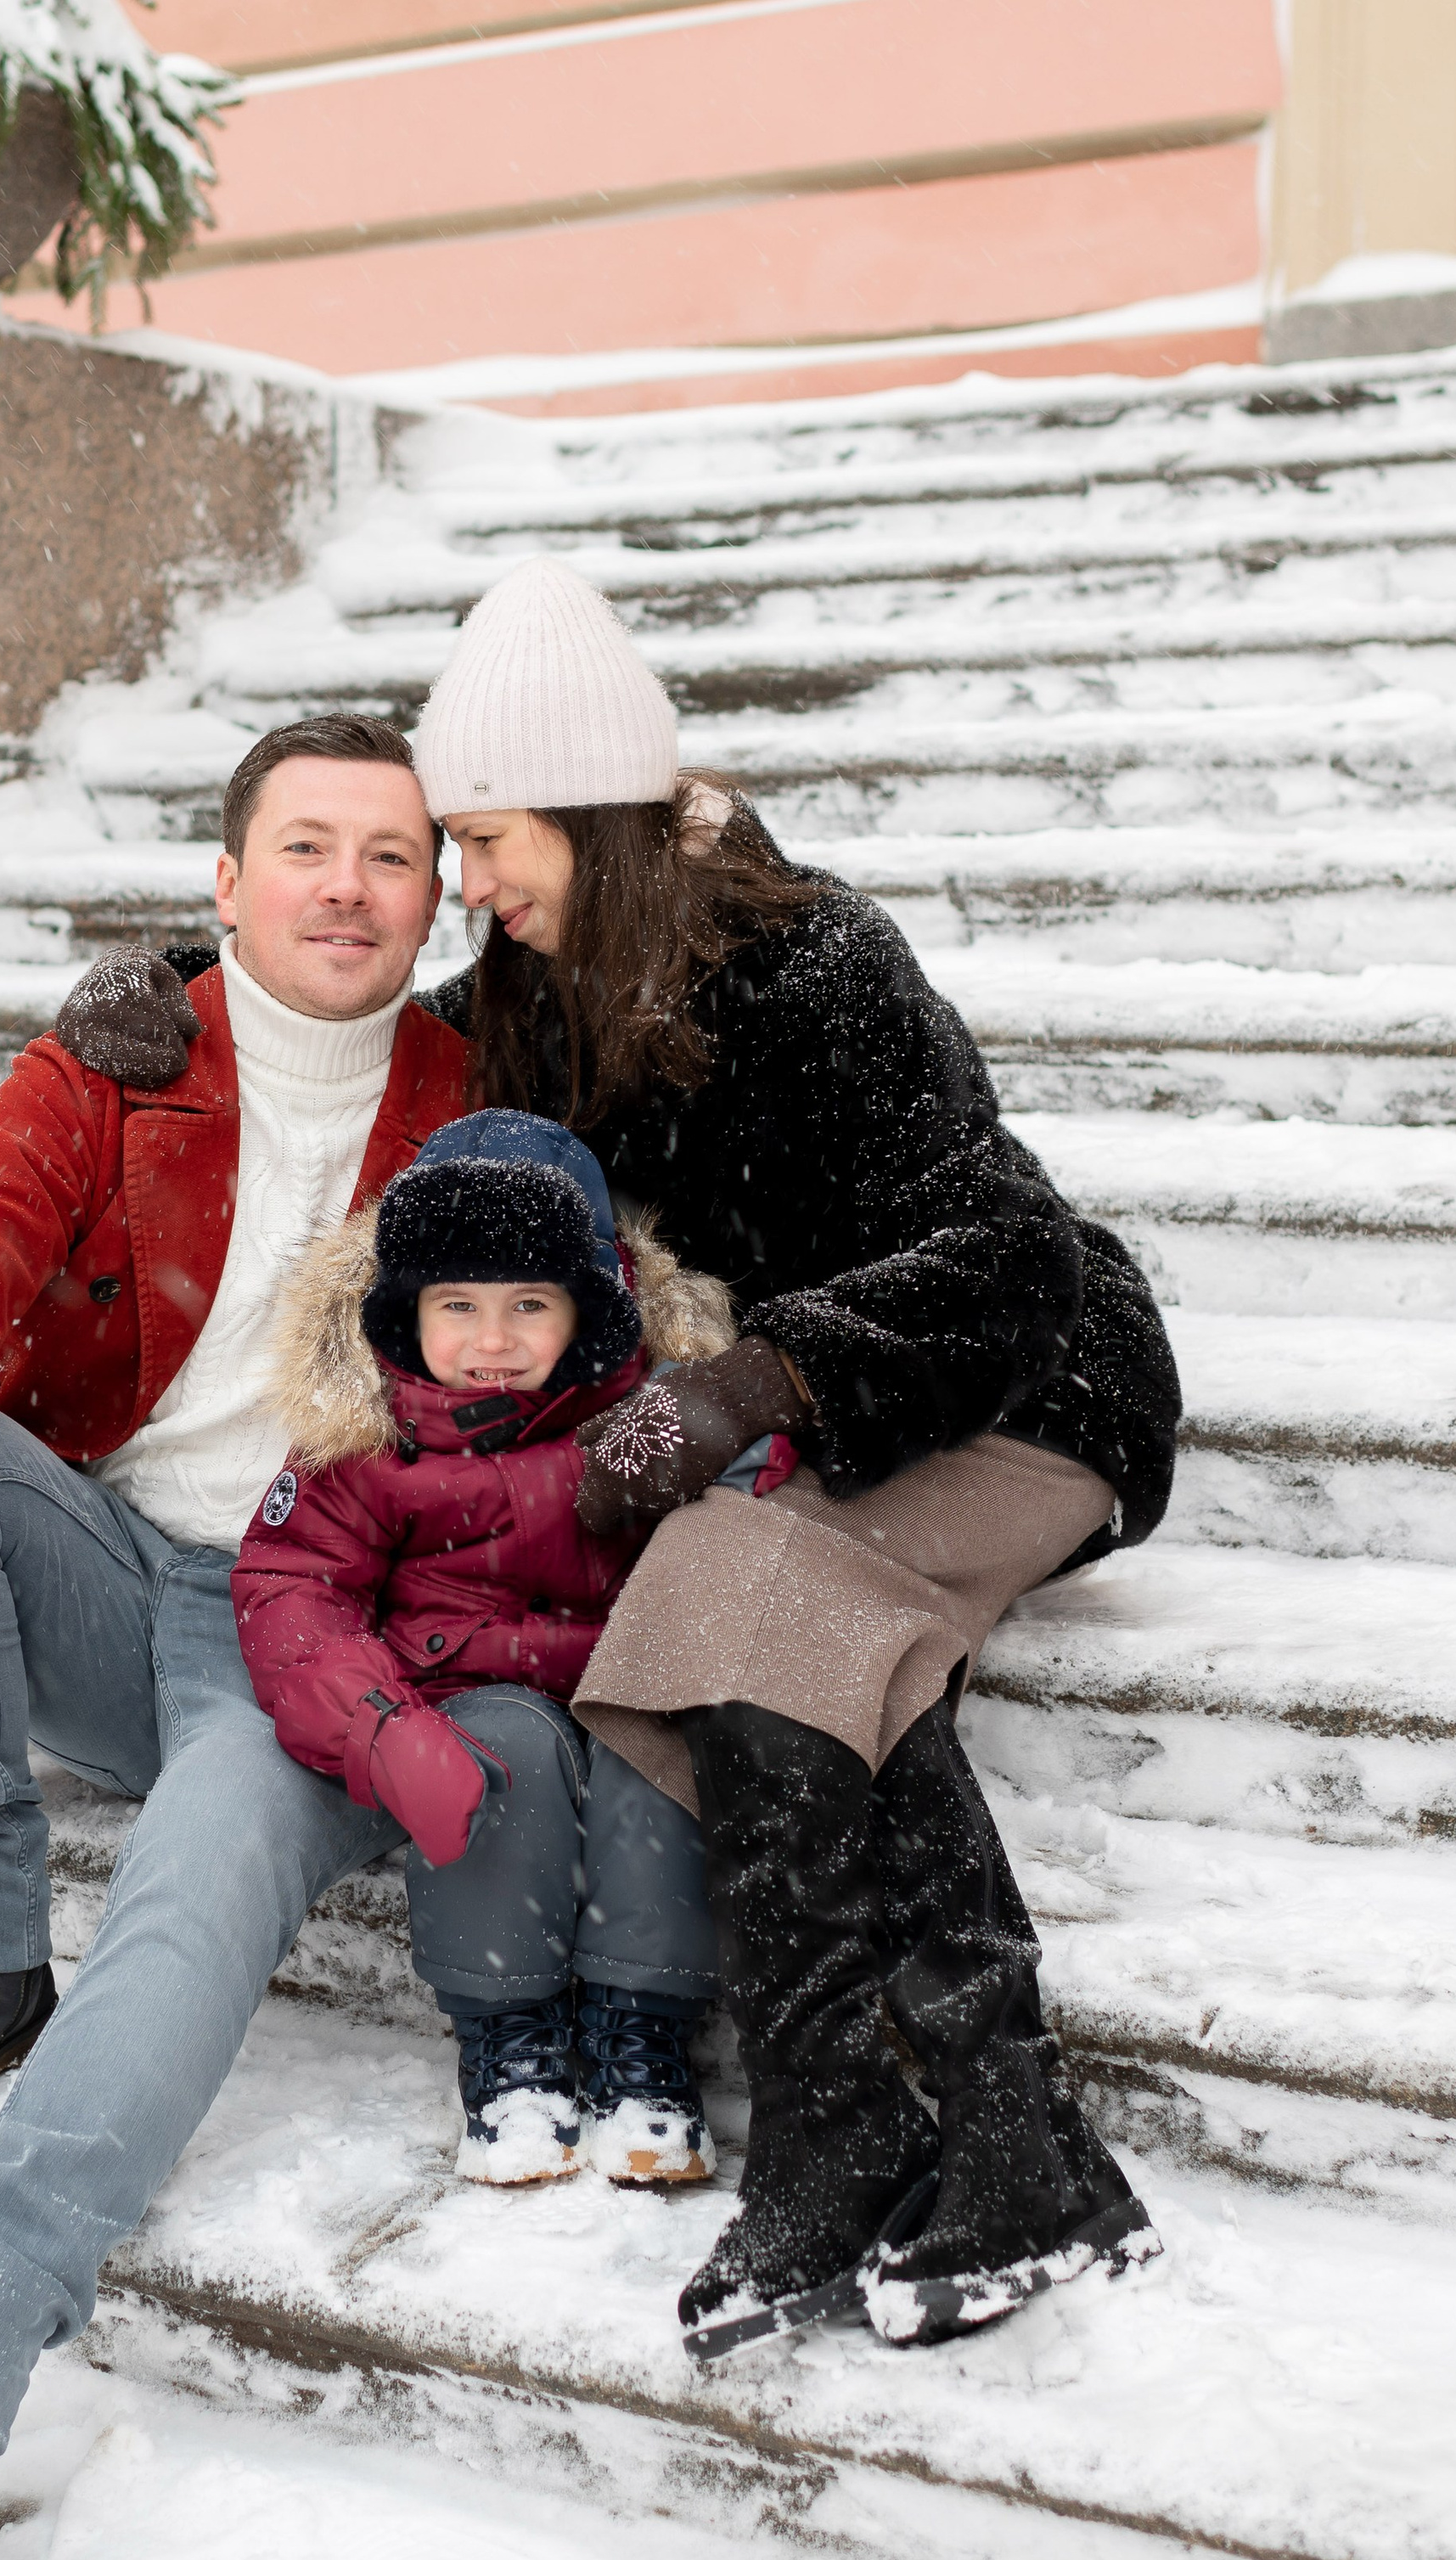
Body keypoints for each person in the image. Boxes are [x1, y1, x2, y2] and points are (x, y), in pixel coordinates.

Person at [59, 558, 1183, 2361]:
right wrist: (169, 1002)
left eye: (487, 836)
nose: (465, 880)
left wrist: (745, 1386)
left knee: (746, 1583)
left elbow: (1004, 1255)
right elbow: (354, 1037)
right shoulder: (532, 991)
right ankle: (908, 2130)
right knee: (714, 1591)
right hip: (799, 1426)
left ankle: (960, 2125)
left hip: (1016, 1392)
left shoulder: (816, 960)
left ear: (590, 809)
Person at [0, 713, 473, 2560]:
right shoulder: (115, 1065)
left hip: (301, 1632)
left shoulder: (479, 1103)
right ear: (219, 888)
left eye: (386, 854)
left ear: (436, 894)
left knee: (194, 1885)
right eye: (299, 846)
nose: (341, 885)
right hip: (111, 1563)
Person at [233, 1105, 760, 2187]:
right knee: (498, 1755)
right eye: (457, 1304)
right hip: (463, 1691)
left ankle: (642, 2028)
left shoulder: (649, 1414)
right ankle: (507, 2039)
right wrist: (376, 1727)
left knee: (653, 1759)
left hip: (621, 1680)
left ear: (593, 1307)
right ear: (403, 1312)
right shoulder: (364, 1438)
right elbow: (292, 1588)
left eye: (531, 1303)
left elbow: (753, 1510)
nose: (492, 1338)